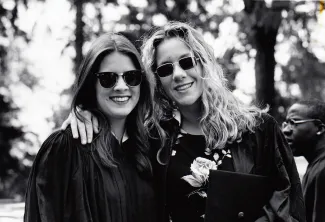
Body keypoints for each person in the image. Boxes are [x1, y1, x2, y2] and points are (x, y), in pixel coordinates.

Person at [62, 21, 305, 222]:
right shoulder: (152, 140)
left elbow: (287, 203)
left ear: (204, 63)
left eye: (187, 62)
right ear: (157, 80)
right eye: (166, 69)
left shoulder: (258, 130)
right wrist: (85, 112)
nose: (178, 74)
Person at [24, 33, 159, 222]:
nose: (121, 86)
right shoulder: (66, 147)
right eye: (108, 78)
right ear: (91, 84)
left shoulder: (149, 148)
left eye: (131, 77)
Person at [283, 100, 325, 222]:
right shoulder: (316, 165)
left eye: (293, 122)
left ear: (319, 128)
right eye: (285, 123)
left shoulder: (323, 169)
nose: (286, 130)